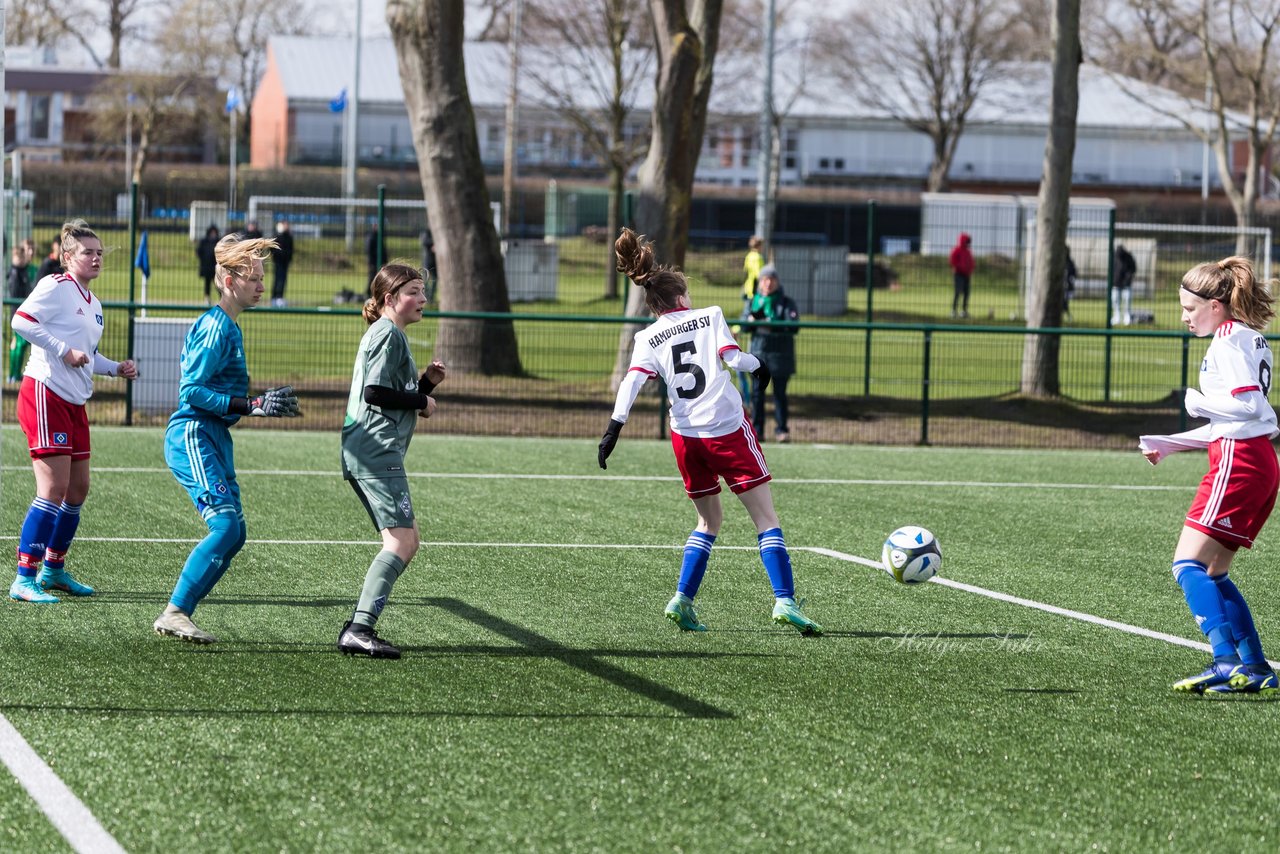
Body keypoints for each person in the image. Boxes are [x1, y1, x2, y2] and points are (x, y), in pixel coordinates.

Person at [597, 228, 822, 636]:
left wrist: (615, 427)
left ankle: (682, 600)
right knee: (765, 518)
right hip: (726, 430)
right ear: (682, 298)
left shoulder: (647, 336)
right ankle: (785, 600)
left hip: (685, 438)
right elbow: (733, 358)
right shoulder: (711, 315)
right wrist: (760, 366)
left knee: (708, 522)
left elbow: (631, 382)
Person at [1139, 256, 1278, 697]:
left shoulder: (1225, 342)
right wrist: (1170, 441)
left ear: (1216, 305)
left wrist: (1200, 404)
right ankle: (1255, 667)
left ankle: (1224, 661)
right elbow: (1239, 421)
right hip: (1255, 459)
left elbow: (1254, 409)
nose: (1184, 316)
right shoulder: (1247, 337)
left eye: (1190, 308)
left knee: (1186, 565)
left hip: (1239, 463)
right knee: (1215, 572)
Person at [155, 234, 300, 643]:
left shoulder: (229, 326)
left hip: (214, 434)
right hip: (194, 433)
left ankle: (179, 611)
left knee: (236, 532)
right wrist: (251, 403)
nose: (261, 285)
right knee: (224, 527)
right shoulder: (216, 327)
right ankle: (175, 611)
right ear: (228, 280)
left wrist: (249, 404)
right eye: (253, 277)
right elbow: (191, 391)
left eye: (261, 277)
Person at [9, 219, 139, 603]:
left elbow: (89, 355)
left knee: (78, 490)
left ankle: (53, 569)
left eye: (100, 252)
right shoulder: (55, 286)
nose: (97, 258)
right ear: (68, 257)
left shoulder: (93, 303)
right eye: (88, 252)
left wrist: (115, 368)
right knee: (53, 489)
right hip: (45, 394)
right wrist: (63, 351)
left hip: (74, 402)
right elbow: (21, 321)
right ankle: (24, 578)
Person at [338, 263, 446, 659]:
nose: (423, 299)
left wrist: (425, 385)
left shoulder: (389, 334)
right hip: (375, 450)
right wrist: (422, 400)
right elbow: (374, 392)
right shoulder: (387, 334)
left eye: (423, 291)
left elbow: (389, 392)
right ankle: (359, 628)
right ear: (390, 299)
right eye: (414, 291)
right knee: (402, 541)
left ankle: (359, 625)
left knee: (407, 539)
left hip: (369, 448)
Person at [744, 264, 799, 443]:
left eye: (771, 280)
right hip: (758, 355)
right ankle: (757, 430)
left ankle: (781, 430)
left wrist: (771, 323)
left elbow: (793, 325)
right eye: (765, 280)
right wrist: (751, 320)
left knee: (780, 395)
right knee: (757, 395)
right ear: (760, 282)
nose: (768, 283)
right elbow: (744, 323)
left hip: (781, 356)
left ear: (777, 282)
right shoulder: (753, 301)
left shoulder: (787, 302)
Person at [737, 236, 764, 401]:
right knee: (749, 314)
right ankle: (738, 329)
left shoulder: (748, 256)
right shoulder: (759, 257)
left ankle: (739, 328)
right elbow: (758, 275)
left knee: (746, 311)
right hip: (753, 290)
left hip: (747, 289)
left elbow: (747, 271)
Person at [7, 240, 35, 382]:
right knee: (18, 344)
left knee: (22, 344)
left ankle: (15, 374)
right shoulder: (15, 273)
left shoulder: (29, 270)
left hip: (27, 313)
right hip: (18, 313)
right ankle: (13, 374)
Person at [949, 232, 974, 318]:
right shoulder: (957, 250)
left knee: (966, 293)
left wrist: (970, 270)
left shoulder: (968, 252)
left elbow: (971, 262)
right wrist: (959, 267)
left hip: (966, 275)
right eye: (967, 241)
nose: (968, 243)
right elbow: (953, 261)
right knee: (958, 292)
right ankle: (953, 310)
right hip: (958, 274)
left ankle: (964, 311)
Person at [269, 220, 295, 307]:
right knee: (277, 279)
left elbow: (291, 249)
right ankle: (274, 297)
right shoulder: (277, 236)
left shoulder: (289, 237)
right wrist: (276, 256)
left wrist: (289, 258)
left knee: (283, 280)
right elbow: (272, 248)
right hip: (278, 262)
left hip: (285, 262)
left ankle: (280, 297)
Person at [1112, 243, 1137, 326]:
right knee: (1115, 301)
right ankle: (1117, 317)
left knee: (1127, 301)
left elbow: (1133, 269)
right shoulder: (1114, 257)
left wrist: (1128, 278)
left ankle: (1127, 317)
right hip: (1116, 283)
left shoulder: (1128, 257)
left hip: (1126, 284)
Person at [196, 225, 220, 303]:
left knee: (218, 284)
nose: (213, 234)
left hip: (215, 267)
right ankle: (207, 298)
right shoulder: (204, 241)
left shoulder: (218, 242)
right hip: (206, 266)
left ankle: (221, 298)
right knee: (207, 284)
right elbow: (199, 252)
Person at [366, 226, 388, 293]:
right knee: (372, 277)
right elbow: (369, 250)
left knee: (380, 278)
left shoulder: (379, 236)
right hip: (374, 262)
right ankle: (368, 292)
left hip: (380, 261)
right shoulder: (372, 237)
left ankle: (376, 292)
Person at [419, 228, 437, 302]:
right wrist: (433, 244)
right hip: (427, 260)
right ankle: (426, 295)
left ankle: (431, 296)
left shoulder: (437, 231)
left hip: (435, 261)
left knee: (435, 279)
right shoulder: (427, 231)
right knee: (425, 279)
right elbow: (424, 242)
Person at [1063, 247, 1077, 320]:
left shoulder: (1070, 263)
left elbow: (1074, 274)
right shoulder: (1060, 262)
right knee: (1063, 302)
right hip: (1062, 286)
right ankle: (1068, 315)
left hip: (1067, 286)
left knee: (1064, 302)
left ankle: (1068, 315)